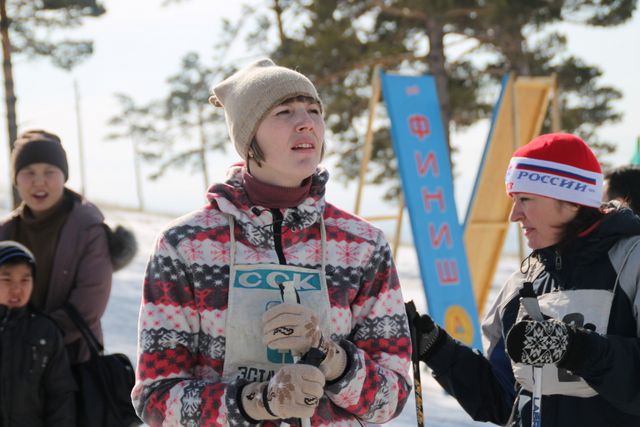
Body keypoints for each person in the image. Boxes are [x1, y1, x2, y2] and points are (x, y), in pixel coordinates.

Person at [133, 58, 412, 426]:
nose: (306, 122)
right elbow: (156, 399)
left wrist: (331, 358)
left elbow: (391, 399)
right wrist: (260, 402)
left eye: (314, 110)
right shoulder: (185, 245)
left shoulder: (362, 245)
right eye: (284, 112)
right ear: (249, 137)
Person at [410, 133, 640, 426]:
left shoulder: (632, 261)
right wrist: (437, 349)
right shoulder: (523, 282)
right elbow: (504, 400)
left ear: (571, 201)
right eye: (514, 200)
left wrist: (577, 348)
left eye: (525, 199)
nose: (514, 215)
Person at [0, 129, 137, 364]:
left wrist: (35, 340)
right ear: (16, 179)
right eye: (28, 172)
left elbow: (88, 305)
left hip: (72, 363)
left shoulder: (88, 229)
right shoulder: (6, 231)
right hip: (10, 362)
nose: (38, 182)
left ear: (63, 176)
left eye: (49, 172)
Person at [0, 240, 76, 426]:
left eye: (25, 280)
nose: (17, 289)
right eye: (6, 280)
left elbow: (60, 393)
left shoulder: (45, 332)